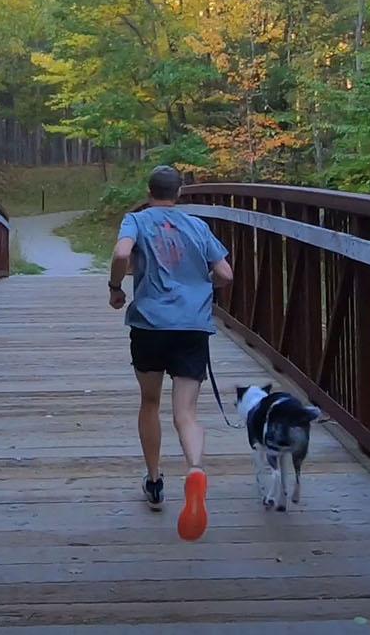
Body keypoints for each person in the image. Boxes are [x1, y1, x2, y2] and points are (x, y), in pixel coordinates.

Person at [108, 165, 234, 541]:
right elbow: (226, 275)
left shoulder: (137, 219)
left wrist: (116, 287)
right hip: (192, 325)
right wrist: (200, 287)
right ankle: (195, 470)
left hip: (150, 324)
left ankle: (154, 481)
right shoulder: (197, 226)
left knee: (150, 403)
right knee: (187, 412)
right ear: (179, 193)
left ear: (150, 191)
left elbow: (120, 252)